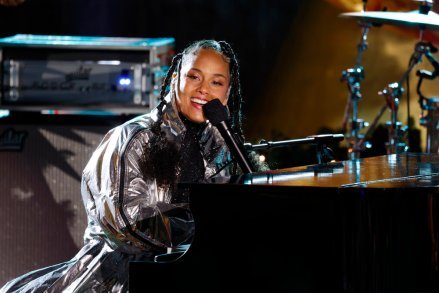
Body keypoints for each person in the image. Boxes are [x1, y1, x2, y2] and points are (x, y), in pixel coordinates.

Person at [0, 39, 262, 292]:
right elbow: (126, 222)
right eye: (194, 77)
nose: (204, 89)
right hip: (120, 279)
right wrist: (203, 228)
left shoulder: (223, 148)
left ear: (226, 94)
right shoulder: (134, 138)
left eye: (217, 82)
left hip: (198, 274)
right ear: (174, 80)